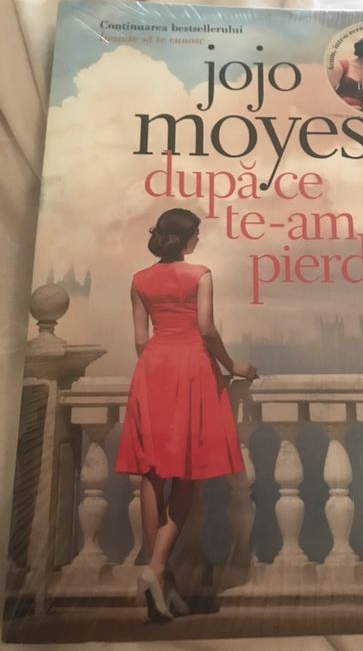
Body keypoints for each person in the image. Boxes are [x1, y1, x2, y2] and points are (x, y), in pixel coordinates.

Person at [115, 208, 257, 623]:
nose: (199, 238)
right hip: (191, 367)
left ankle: (162, 579)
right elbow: (206, 329)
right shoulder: (200, 274)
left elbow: (140, 339)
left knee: (151, 474)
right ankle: (157, 567)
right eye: (197, 232)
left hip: (153, 367)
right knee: (187, 474)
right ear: (185, 238)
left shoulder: (139, 280)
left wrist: (158, 366)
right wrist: (233, 366)